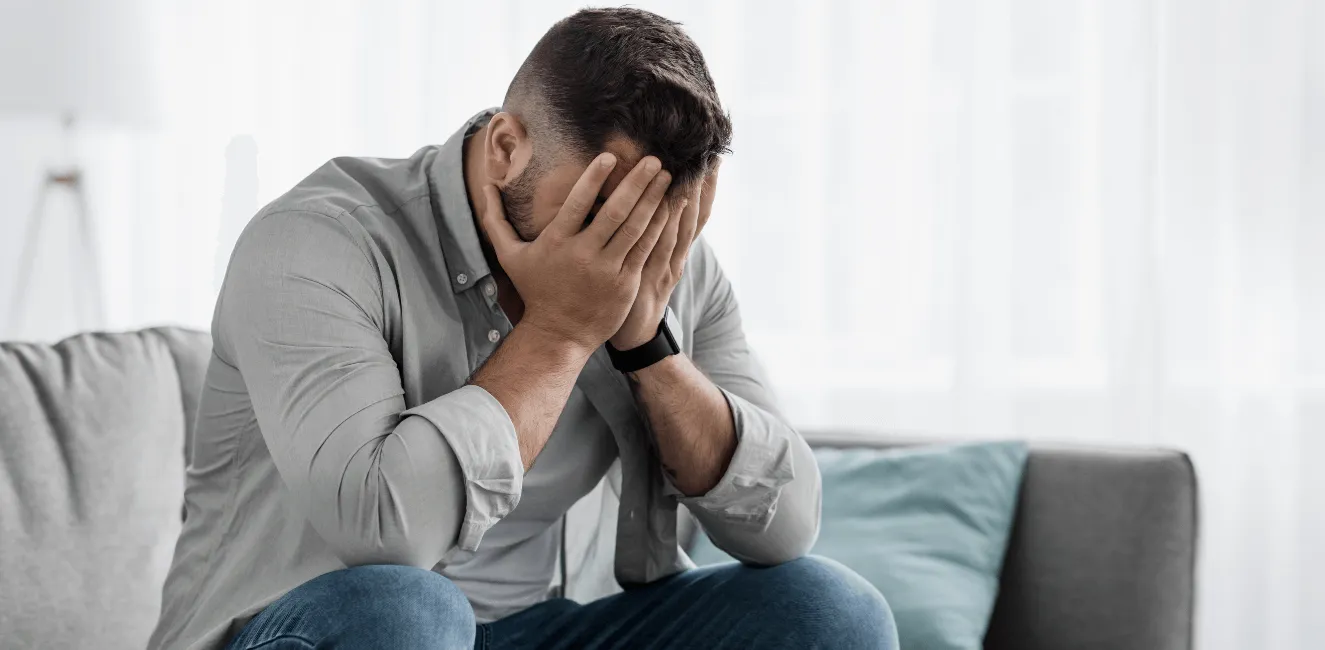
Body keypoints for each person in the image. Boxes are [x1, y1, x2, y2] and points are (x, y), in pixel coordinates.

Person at [149, 7, 897, 650]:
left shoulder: (667, 258)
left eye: (657, 215)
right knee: (408, 610)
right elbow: (385, 532)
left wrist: (646, 344)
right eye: (603, 205)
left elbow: (786, 526)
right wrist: (564, 332)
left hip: (554, 626)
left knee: (832, 612)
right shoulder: (318, 242)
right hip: (326, 624)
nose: (629, 246)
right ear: (507, 148)